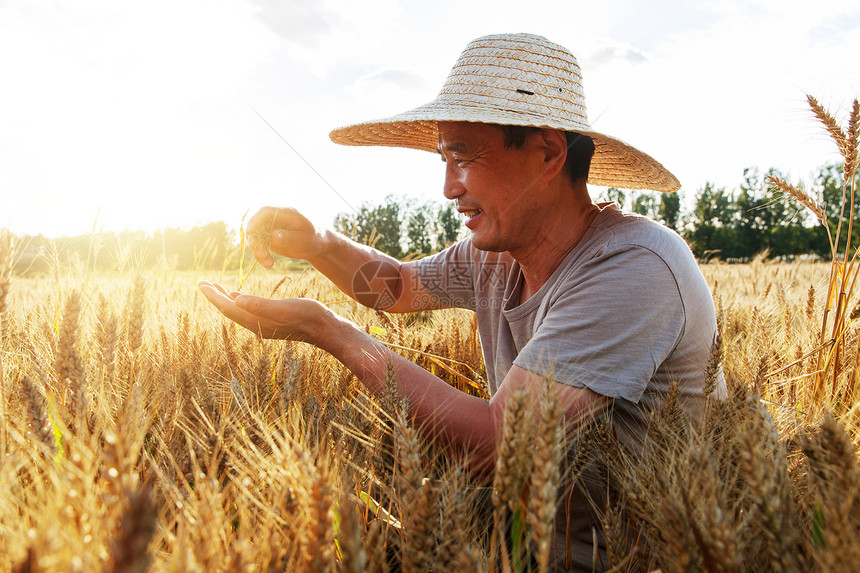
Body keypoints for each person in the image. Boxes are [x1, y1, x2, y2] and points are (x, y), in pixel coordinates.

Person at [199, 33, 725, 571]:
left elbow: (498, 448)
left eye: (464, 157)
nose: (449, 188)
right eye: (444, 158)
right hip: (520, 548)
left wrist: (326, 330)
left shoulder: (634, 267)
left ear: (546, 154)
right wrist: (318, 244)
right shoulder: (496, 253)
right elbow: (396, 288)